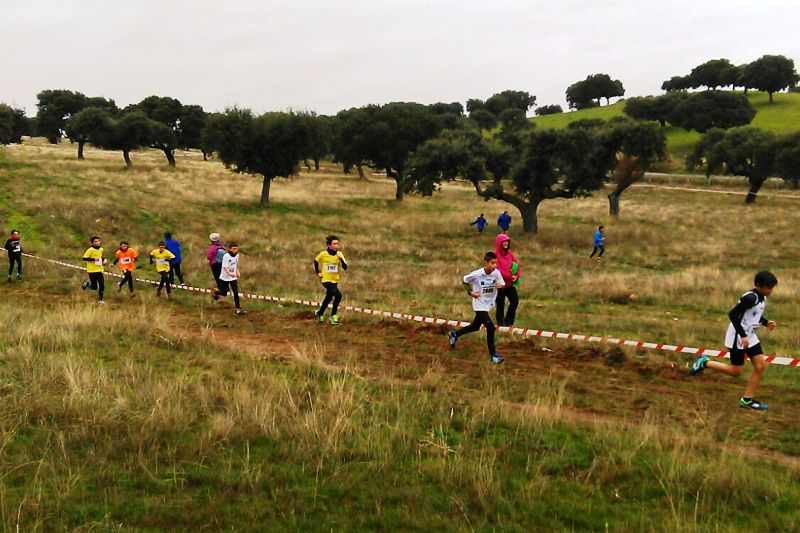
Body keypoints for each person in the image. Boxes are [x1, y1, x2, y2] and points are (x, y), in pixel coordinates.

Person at [690, 271, 779, 410]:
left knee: (760, 366)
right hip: (737, 337)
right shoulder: (750, 298)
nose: (770, 290)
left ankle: (747, 400)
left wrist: (766, 322)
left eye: (772, 287)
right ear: (758, 285)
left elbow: (752, 315)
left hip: (750, 337)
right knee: (736, 372)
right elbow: (733, 314)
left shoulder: (763, 297)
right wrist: (742, 335)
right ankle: (705, 362)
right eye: (768, 288)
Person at [448, 251, 505, 364]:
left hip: (488, 304)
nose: (494, 266)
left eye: (496, 263)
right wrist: (470, 292)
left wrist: (501, 286)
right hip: (479, 304)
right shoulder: (477, 274)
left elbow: (502, 284)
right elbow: (465, 280)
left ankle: (455, 334)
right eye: (492, 263)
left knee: (475, 326)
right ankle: (493, 355)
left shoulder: (496, 273)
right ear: (486, 263)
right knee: (491, 328)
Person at [313, 235, 348, 325]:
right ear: (329, 245)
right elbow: (316, 261)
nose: (336, 245)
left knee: (328, 298)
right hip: (325, 280)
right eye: (334, 244)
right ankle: (333, 315)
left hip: (335, 280)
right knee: (338, 296)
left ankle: (320, 312)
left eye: (337, 244)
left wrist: (341, 260)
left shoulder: (339, 254)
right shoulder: (323, 254)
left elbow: (345, 267)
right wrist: (318, 272)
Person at [494, 233, 521, 327]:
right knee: (500, 305)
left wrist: (517, 276)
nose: (505, 243)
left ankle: (509, 322)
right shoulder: (495, 255)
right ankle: (501, 324)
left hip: (509, 284)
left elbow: (516, 265)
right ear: (499, 243)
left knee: (515, 301)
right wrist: (509, 276)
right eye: (503, 242)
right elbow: (498, 270)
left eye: (507, 241)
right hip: (500, 285)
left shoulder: (510, 253)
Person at [214, 241, 245, 315]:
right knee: (224, 292)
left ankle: (238, 308)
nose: (235, 250)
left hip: (233, 277)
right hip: (225, 277)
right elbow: (225, 267)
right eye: (234, 249)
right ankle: (216, 292)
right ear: (230, 249)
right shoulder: (226, 256)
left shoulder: (237, 256)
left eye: (236, 249)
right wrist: (230, 273)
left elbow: (235, 265)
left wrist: (237, 271)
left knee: (235, 292)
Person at [81, 236, 107, 304]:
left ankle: (100, 300)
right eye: (95, 241)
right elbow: (84, 258)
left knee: (102, 285)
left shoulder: (101, 249)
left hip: (99, 270)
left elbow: (99, 256)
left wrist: (104, 259)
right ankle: (87, 284)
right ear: (92, 243)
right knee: (94, 287)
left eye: (98, 241)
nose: (97, 242)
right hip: (91, 270)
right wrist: (93, 259)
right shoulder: (90, 250)